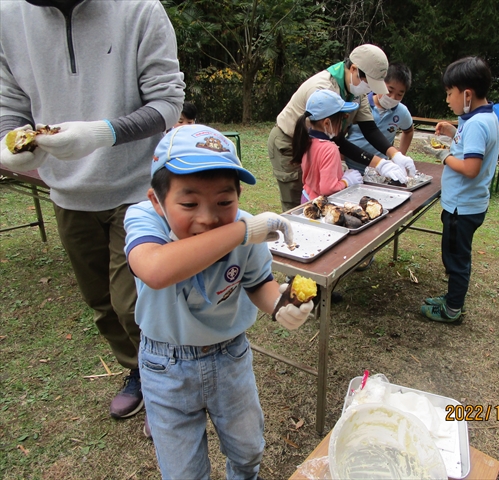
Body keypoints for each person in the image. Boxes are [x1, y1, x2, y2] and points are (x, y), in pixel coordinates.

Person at [0, 0, 185, 419]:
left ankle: (167, 386)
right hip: (66, 191)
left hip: (136, 189)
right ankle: (138, 371)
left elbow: (168, 104)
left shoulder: (140, 9)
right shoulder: (8, 16)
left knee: (134, 303)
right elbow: (10, 105)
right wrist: (9, 144)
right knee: (100, 301)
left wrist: (104, 133)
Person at [124, 125, 313, 479]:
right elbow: (155, 269)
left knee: (248, 450)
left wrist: (279, 306)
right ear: (157, 200)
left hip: (230, 356)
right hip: (166, 365)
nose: (208, 218)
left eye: (225, 202)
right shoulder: (144, 219)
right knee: (183, 472)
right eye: (189, 203)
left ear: (238, 196)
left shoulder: (246, 227)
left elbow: (259, 283)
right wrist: (241, 232)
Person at [268, 44, 417, 212]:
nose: (369, 89)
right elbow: (337, 139)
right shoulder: (324, 89)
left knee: (317, 202)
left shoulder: (356, 89)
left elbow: (369, 128)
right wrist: (380, 163)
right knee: (298, 207)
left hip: (316, 145)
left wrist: (394, 155)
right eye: (369, 83)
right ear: (354, 69)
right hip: (289, 142)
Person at [421, 57, 499, 324]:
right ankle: (452, 298)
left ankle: (452, 309)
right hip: (469, 204)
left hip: (461, 207)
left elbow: (470, 168)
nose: (447, 99)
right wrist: (453, 130)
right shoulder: (482, 117)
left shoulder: (477, 124)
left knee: (455, 258)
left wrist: (440, 156)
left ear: (466, 94)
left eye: (449, 93)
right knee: (457, 254)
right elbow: (470, 144)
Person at [292, 89, 362, 202]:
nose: (342, 124)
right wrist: (347, 181)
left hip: (307, 198)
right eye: (341, 119)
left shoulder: (307, 139)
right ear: (326, 123)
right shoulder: (330, 148)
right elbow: (327, 189)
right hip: (320, 205)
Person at [345, 63, 415, 174]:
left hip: (379, 171)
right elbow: (341, 133)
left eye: (399, 94)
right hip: (350, 167)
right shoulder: (361, 104)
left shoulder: (402, 112)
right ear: (380, 84)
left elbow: (409, 130)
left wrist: (399, 156)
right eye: (390, 91)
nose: (393, 98)